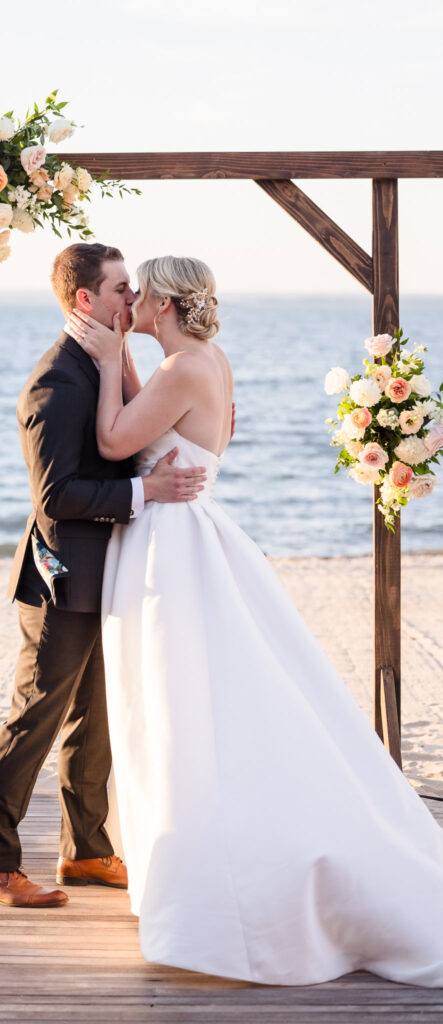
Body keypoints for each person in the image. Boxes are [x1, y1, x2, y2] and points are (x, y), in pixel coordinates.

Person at [65, 254, 443, 987]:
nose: (132, 300)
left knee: (178, 705)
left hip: (171, 544)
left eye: (142, 292)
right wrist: (130, 359)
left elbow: (115, 442)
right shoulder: (198, 359)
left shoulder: (178, 369)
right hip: (184, 530)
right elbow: (154, 420)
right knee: (196, 702)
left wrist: (109, 358)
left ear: (165, 304)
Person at [0, 243, 211, 908]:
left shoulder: (98, 365)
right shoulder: (57, 382)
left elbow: (131, 440)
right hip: (60, 578)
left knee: (93, 718)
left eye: (132, 290)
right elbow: (57, 499)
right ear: (85, 301)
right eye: (121, 289)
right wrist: (146, 495)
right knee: (34, 719)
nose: (131, 300)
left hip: (109, 574)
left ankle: (88, 850)